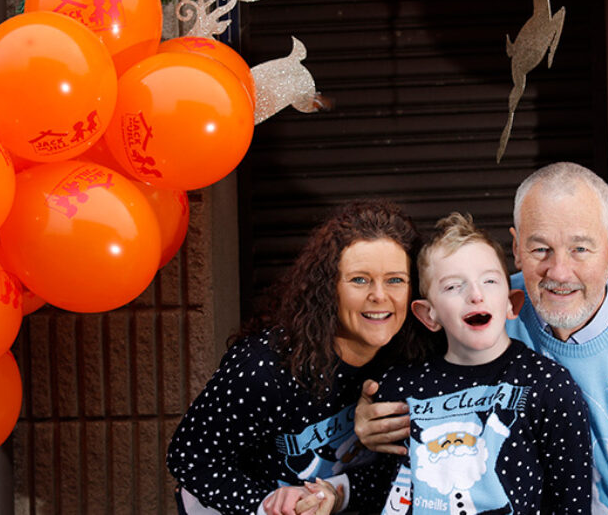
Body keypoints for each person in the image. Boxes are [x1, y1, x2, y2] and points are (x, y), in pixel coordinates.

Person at [356, 162, 608, 514]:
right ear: (515, 248)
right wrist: (365, 424)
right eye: (540, 249)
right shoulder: (482, 311)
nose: (559, 272)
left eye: (580, 248)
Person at [167, 200, 436, 515]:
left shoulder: (413, 362)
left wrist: (336, 495)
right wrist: (265, 504)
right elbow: (188, 456)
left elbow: (402, 473)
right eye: (359, 280)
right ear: (328, 289)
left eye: (395, 280)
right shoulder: (265, 367)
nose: (379, 295)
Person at [370, 212, 592, 514]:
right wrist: (333, 491)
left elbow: (571, 502)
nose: (475, 295)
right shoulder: (399, 386)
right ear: (428, 314)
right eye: (452, 286)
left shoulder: (548, 386)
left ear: (511, 303)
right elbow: (379, 484)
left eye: (489, 281)